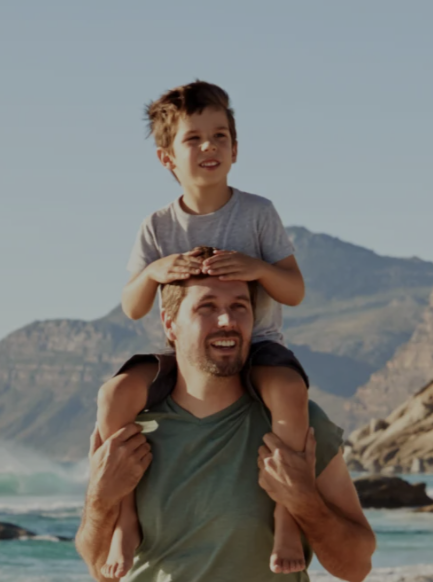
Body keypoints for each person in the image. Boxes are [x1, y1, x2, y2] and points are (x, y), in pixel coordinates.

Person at [96, 80, 312, 577]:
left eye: (219, 137)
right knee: (112, 397)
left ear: (236, 149)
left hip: (257, 344)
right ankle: (126, 524)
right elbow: (132, 307)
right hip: (179, 353)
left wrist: (256, 269)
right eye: (193, 139)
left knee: (289, 390)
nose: (208, 147)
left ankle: (285, 517)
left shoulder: (256, 212)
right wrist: (153, 271)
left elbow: (293, 290)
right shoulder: (156, 226)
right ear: (166, 157)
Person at [77, 269, 375, 582]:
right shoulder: (132, 432)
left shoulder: (298, 425)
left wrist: (304, 501)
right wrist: (101, 499)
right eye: (206, 307)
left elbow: (355, 568)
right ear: (170, 324)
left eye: (239, 307)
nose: (227, 321)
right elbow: (101, 571)